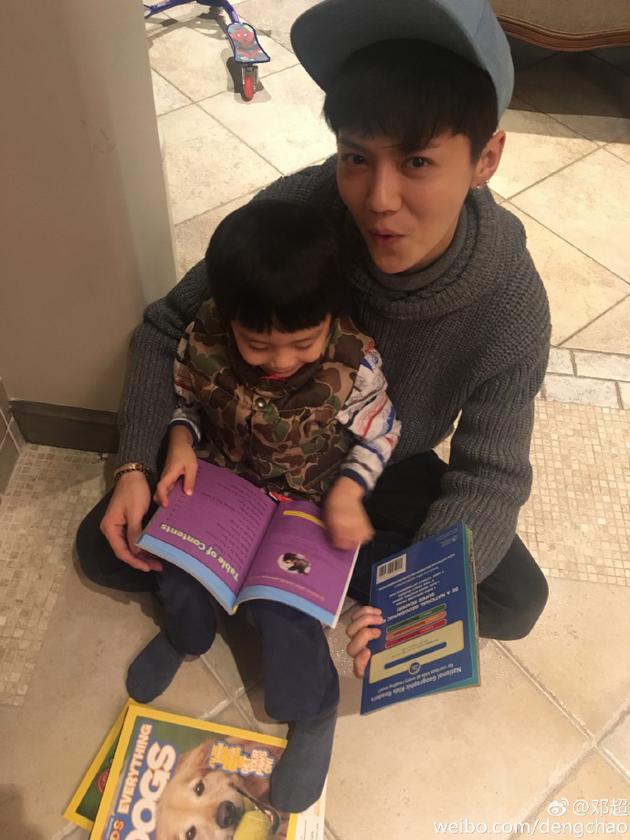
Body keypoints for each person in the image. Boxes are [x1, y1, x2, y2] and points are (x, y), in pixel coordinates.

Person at [77, 0, 551, 807]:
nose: (379, 199)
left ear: (486, 158)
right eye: (356, 157)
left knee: (510, 598)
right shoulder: (295, 214)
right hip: (244, 438)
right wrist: (132, 464)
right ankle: (260, 578)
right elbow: (166, 331)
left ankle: (284, 579)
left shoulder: (510, 301)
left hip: (376, 459)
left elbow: (493, 474)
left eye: (418, 162)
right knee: (104, 544)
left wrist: (411, 602)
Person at [80, 199, 400, 813]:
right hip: (226, 484)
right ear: (228, 319)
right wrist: (179, 439)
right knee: (177, 565)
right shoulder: (201, 340)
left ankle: (313, 708)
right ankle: (187, 634)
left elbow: (383, 432)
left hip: (309, 503)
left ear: (330, 319)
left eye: (302, 343)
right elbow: (185, 400)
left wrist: (351, 488)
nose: (280, 361)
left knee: (285, 611)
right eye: (257, 344)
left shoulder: (354, 363)